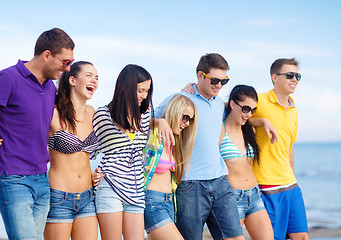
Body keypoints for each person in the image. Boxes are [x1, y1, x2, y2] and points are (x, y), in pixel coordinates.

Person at [155, 53, 245, 240]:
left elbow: (244, 111)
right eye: (214, 80)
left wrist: (265, 123)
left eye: (224, 81)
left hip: (221, 181)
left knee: (236, 238)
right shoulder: (180, 97)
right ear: (200, 75)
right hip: (190, 185)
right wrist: (158, 122)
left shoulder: (220, 104)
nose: (219, 85)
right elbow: (142, 120)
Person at [0, 28, 74, 240]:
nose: (67, 68)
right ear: (47, 55)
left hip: (42, 178)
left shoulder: (50, 87)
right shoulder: (8, 78)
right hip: (13, 177)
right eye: (65, 62)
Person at [90, 64, 154, 240]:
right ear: (125, 87)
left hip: (136, 189)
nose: (144, 95)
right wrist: (90, 173)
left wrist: (161, 121)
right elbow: (87, 149)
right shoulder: (103, 114)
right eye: (141, 90)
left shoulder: (145, 116)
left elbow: (174, 111)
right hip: (109, 185)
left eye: (147, 91)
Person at [251, 58, 309, 240]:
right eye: (290, 75)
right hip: (267, 185)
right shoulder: (259, 100)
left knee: (301, 237)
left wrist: (293, 177)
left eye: (297, 76)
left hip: (290, 184)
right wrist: (261, 121)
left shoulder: (293, 108)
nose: (295, 80)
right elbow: (234, 114)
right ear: (275, 77)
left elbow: (288, 147)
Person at [43, 61, 99, 240]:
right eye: (89, 75)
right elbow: (25, 133)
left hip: (88, 197)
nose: (94, 80)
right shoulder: (53, 114)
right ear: (73, 80)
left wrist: (157, 120)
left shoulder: (92, 112)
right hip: (58, 197)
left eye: (97, 77)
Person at [219, 85, 273, 240]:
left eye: (253, 110)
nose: (249, 114)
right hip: (232, 199)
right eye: (246, 109)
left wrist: (263, 120)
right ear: (232, 104)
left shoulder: (249, 130)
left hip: (254, 195)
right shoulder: (220, 131)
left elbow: (252, 120)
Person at [144, 94, 198, 240]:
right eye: (185, 117)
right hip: (152, 202)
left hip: (169, 202)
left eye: (190, 120)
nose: (187, 123)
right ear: (174, 111)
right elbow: (134, 123)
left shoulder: (174, 142)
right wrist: (157, 121)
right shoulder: (152, 134)